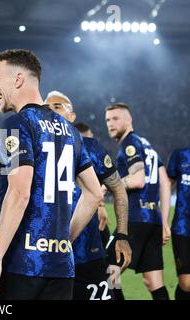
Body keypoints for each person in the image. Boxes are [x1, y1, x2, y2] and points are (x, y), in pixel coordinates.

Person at [0, 49, 103, 300]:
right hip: (61, 268)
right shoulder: (71, 131)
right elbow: (94, 194)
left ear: (18, 79)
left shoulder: (17, 124)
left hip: (20, 264)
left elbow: (19, 192)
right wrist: (63, 241)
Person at [45, 91, 131, 300]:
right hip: (44, 255)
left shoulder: (91, 148)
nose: (50, 112)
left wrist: (121, 235)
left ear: (71, 116)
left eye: (57, 107)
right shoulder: (31, 146)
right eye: (46, 109)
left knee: (113, 289)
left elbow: (118, 189)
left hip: (87, 254)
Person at [105, 102, 171, 300]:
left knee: (108, 272)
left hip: (134, 219)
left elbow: (138, 180)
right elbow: (165, 182)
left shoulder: (130, 143)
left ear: (129, 120)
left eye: (116, 119)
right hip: (153, 221)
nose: (110, 124)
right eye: (108, 120)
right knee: (153, 281)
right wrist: (164, 222)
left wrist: (107, 184)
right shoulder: (147, 145)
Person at [167, 147, 190, 300]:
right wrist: (163, 219)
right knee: (186, 284)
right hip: (182, 227)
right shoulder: (181, 155)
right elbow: (167, 184)